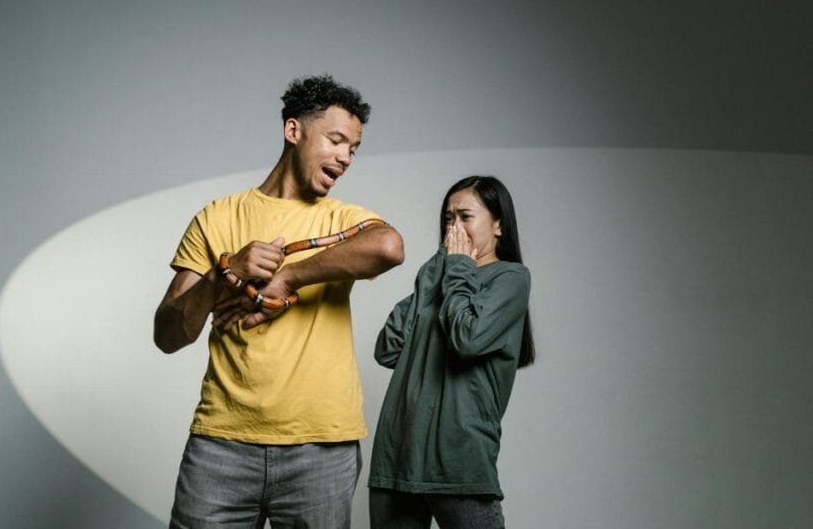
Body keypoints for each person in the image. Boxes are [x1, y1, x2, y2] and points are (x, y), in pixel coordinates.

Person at [154, 74, 405, 529]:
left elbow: (389, 247)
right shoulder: (218, 217)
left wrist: (289, 278)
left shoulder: (344, 218)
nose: (346, 157)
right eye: (336, 140)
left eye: (354, 148)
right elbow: (167, 334)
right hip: (221, 446)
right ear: (294, 131)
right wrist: (225, 272)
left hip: (321, 450)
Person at [368, 175, 535, 529]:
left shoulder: (510, 278)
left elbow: (467, 338)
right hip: (397, 461)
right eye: (448, 218)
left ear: (499, 225)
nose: (453, 227)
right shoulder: (443, 277)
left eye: (465, 216)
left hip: (459, 464)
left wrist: (457, 268)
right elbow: (387, 349)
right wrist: (432, 276)